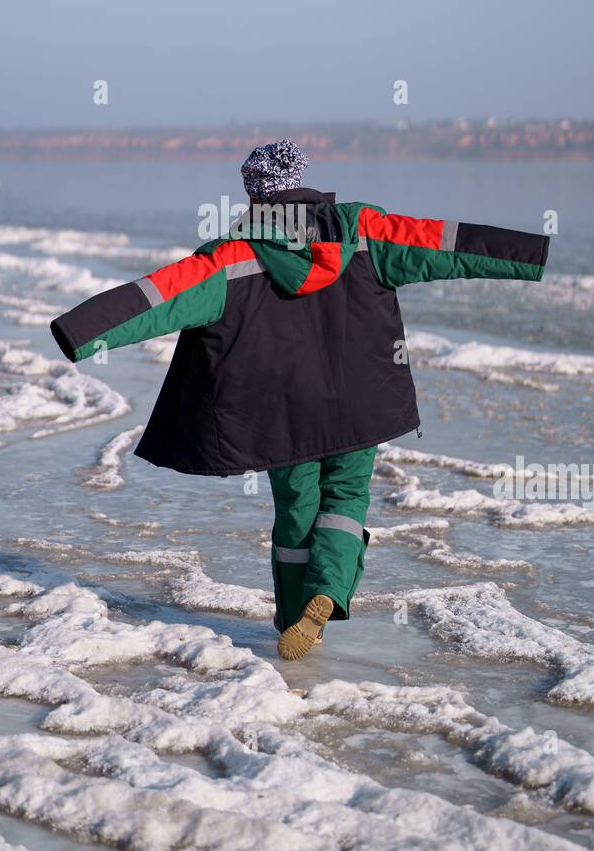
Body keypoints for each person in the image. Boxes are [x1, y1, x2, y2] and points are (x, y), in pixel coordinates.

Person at [50, 139, 549, 660]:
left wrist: (79, 331)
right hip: (362, 402)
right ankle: (328, 595)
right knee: (347, 498)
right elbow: (443, 246)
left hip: (281, 416)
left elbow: (156, 297)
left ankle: (293, 619)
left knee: (296, 510)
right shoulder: (362, 229)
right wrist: (526, 252)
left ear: (253, 195)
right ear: (305, 179)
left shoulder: (229, 256)